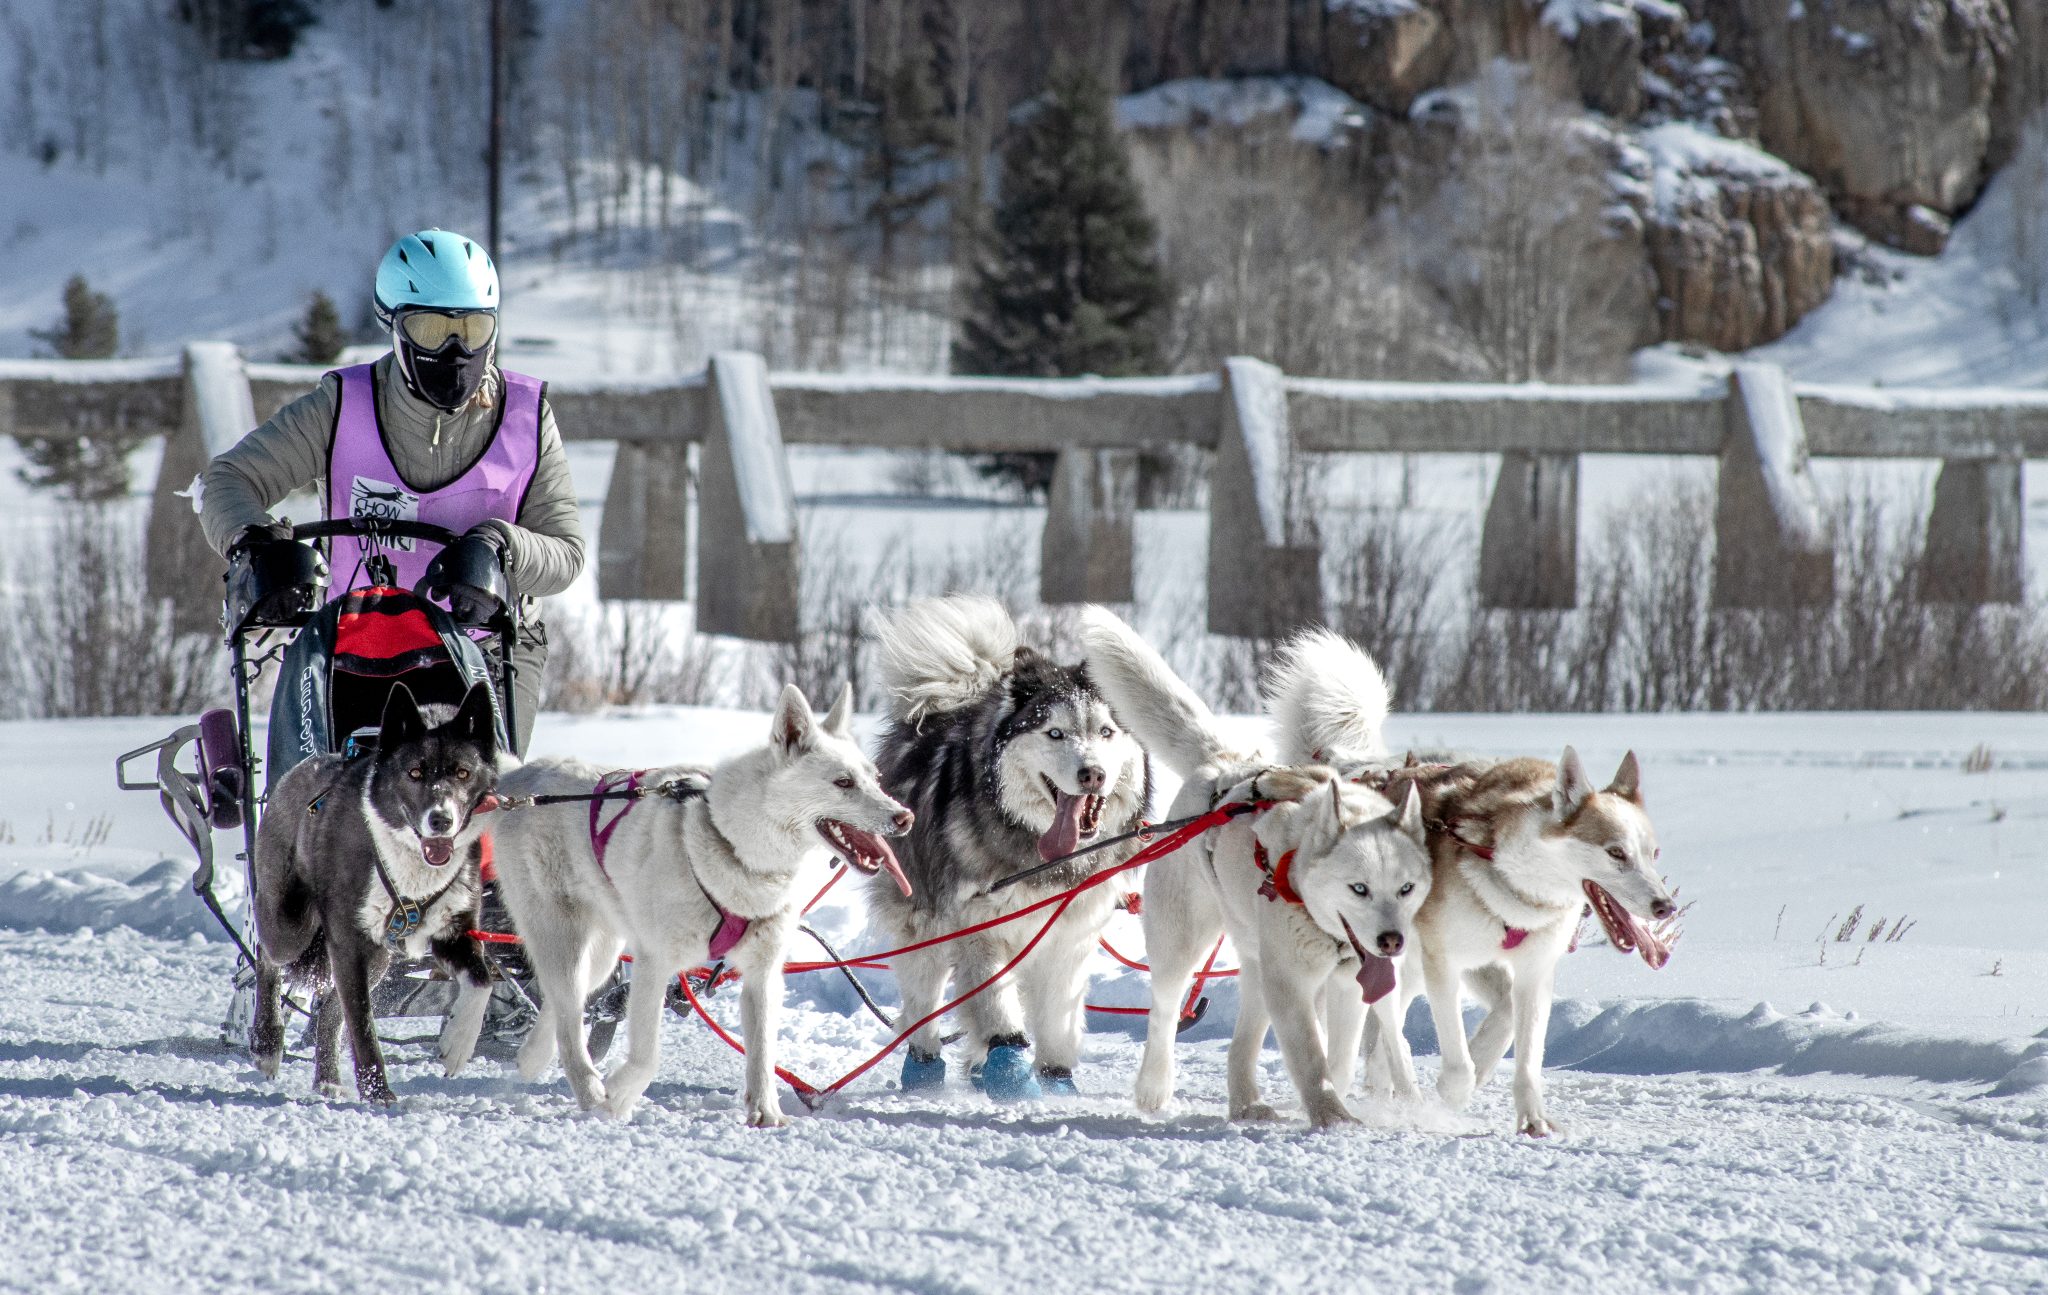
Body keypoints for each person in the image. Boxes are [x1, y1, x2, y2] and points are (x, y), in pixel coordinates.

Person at [199, 228, 583, 754]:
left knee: (481, 801)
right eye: (429, 329)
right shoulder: (342, 407)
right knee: (317, 799)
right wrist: (256, 545)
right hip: (355, 643)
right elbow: (228, 480)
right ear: (394, 327)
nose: (455, 349)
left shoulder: (527, 415)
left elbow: (566, 552)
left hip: (486, 647)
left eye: (472, 328)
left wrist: (502, 547)